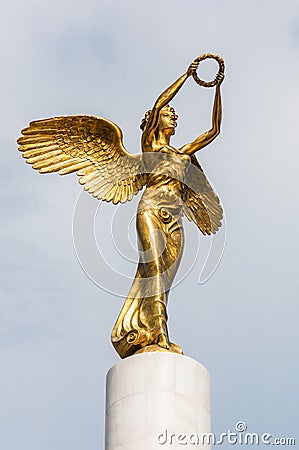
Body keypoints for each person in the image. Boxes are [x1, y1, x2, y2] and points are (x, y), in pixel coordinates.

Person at [111, 61, 224, 358]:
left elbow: (214, 130)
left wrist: (218, 88)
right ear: (155, 121)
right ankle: (162, 337)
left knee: (165, 282)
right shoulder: (150, 145)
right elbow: (161, 100)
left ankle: (148, 331)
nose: (173, 116)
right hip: (150, 211)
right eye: (168, 114)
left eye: (174, 115)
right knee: (155, 270)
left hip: (175, 221)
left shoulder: (183, 153)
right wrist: (188, 76)